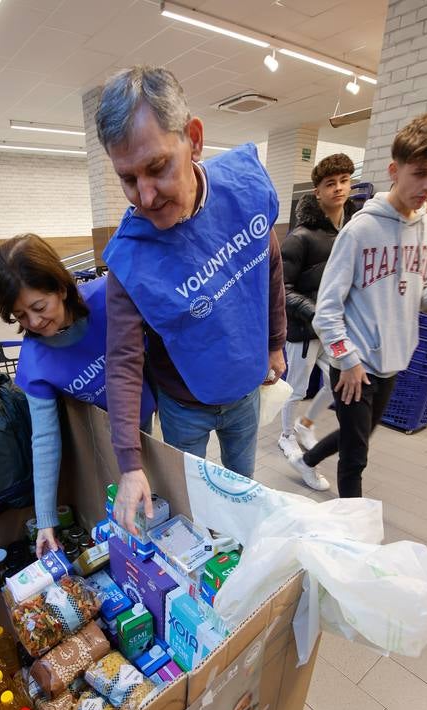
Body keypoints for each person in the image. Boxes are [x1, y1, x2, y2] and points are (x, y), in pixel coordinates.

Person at [95, 66, 286, 533]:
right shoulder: (131, 259)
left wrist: (276, 342)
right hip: (182, 404)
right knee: (190, 509)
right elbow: (122, 360)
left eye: (158, 167)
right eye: (127, 178)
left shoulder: (242, 193)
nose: (145, 195)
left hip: (245, 388)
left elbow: (270, 264)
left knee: (243, 489)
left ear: (194, 139)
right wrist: (129, 464)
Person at [290, 115, 427, 497]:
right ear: (395, 170)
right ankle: (352, 537)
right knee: (356, 456)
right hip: (353, 364)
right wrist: (348, 361)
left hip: (393, 360)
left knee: (361, 434)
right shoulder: (360, 230)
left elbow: (421, 297)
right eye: (420, 172)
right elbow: (326, 310)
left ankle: (304, 460)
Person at [0, 234, 156, 555]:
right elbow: (45, 441)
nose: (34, 322)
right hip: (120, 437)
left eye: (39, 307)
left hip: (161, 407)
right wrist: (46, 521)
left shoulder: (109, 297)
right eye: (20, 316)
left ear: (61, 288)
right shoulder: (35, 363)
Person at [278, 154, 356, 484]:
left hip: (337, 328)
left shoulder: (353, 230)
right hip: (305, 329)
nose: (338, 188)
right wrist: (316, 314)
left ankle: (305, 424)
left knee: (337, 384)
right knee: (293, 389)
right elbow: (282, 288)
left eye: (344, 181)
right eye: (330, 183)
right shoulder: (301, 237)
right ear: (317, 190)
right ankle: (285, 435)